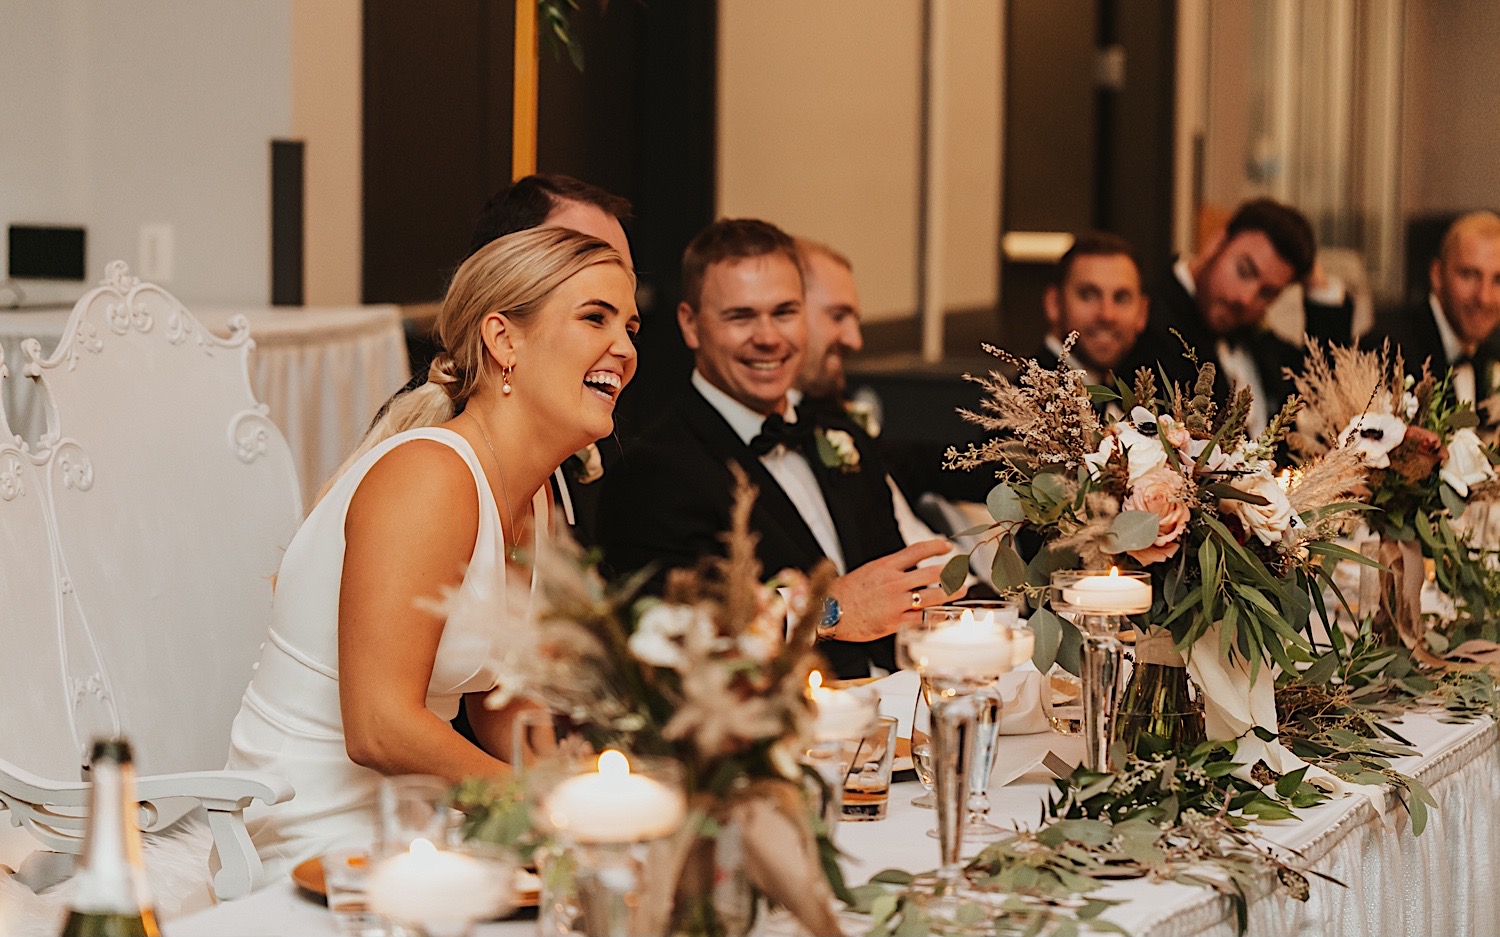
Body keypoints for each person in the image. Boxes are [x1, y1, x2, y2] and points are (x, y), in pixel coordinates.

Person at [226, 228, 638, 882]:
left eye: (630, 326)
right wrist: (541, 807)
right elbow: (379, 726)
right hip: (308, 829)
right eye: (595, 318)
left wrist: (590, 787)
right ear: (504, 340)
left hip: (422, 824)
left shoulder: (536, 504)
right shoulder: (431, 475)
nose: (624, 347)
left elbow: (502, 705)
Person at [597, 219, 962, 680]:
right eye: (741, 316)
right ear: (690, 325)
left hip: (905, 713)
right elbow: (680, 644)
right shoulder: (654, 472)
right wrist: (829, 612)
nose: (768, 337)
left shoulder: (834, 429)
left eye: (785, 312)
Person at [1120, 199, 1353, 433]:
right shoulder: (1142, 318)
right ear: (1216, 243)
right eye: (1244, 271)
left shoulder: (1256, 337)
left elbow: (1324, 385)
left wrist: (1317, 284)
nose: (1246, 298)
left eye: (1267, 292)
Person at [1363, 211, 1500, 419]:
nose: (1484, 297)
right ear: (1437, 276)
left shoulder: (1489, 354)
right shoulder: (1388, 349)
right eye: (1469, 275)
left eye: (1498, 280)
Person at [1034, 232, 1148, 386]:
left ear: (1142, 312)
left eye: (1121, 298)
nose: (1107, 315)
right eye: (1088, 296)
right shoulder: (1025, 403)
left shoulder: (1120, 395)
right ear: (1054, 303)